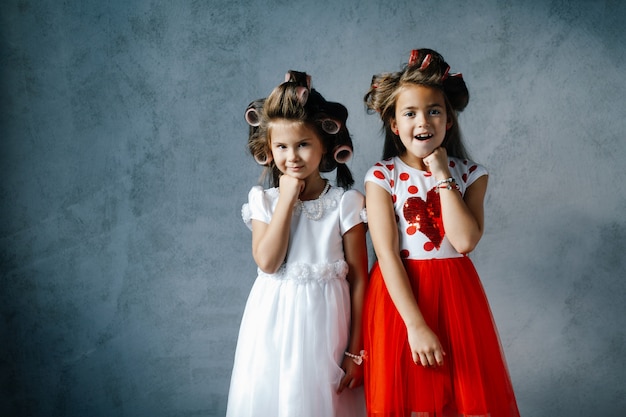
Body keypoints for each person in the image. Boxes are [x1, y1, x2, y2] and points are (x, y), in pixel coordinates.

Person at [361, 49, 520, 416]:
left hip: (456, 299)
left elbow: (464, 241)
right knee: (411, 396)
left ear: (448, 120)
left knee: (459, 396)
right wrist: (415, 325)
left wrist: (442, 173)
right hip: (401, 298)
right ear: (394, 124)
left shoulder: (471, 175)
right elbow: (385, 254)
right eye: (410, 113)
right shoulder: (382, 176)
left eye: (434, 110)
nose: (424, 121)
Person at [226, 70, 368, 417]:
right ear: (269, 149)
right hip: (271, 326)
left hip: (327, 331)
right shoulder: (265, 200)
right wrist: (287, 199)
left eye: (303, 144)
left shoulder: (345, 203)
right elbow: (268, 263)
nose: (292, 156)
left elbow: (361, 279)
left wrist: (355, 351)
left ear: (324, 145)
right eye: (281, 147)